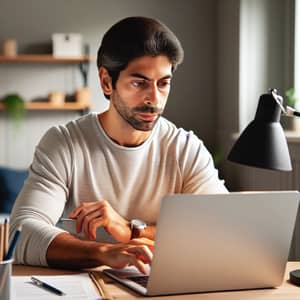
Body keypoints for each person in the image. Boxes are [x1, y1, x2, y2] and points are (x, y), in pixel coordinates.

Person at [10, 16, 227, 274]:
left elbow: (221, 229)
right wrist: (104, 252)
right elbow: (21, 232)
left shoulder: (185, 149)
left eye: (163, 83)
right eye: (139, 83)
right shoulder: (64, 143)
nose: (154, 99)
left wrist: (129, 230)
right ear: (106, 81)